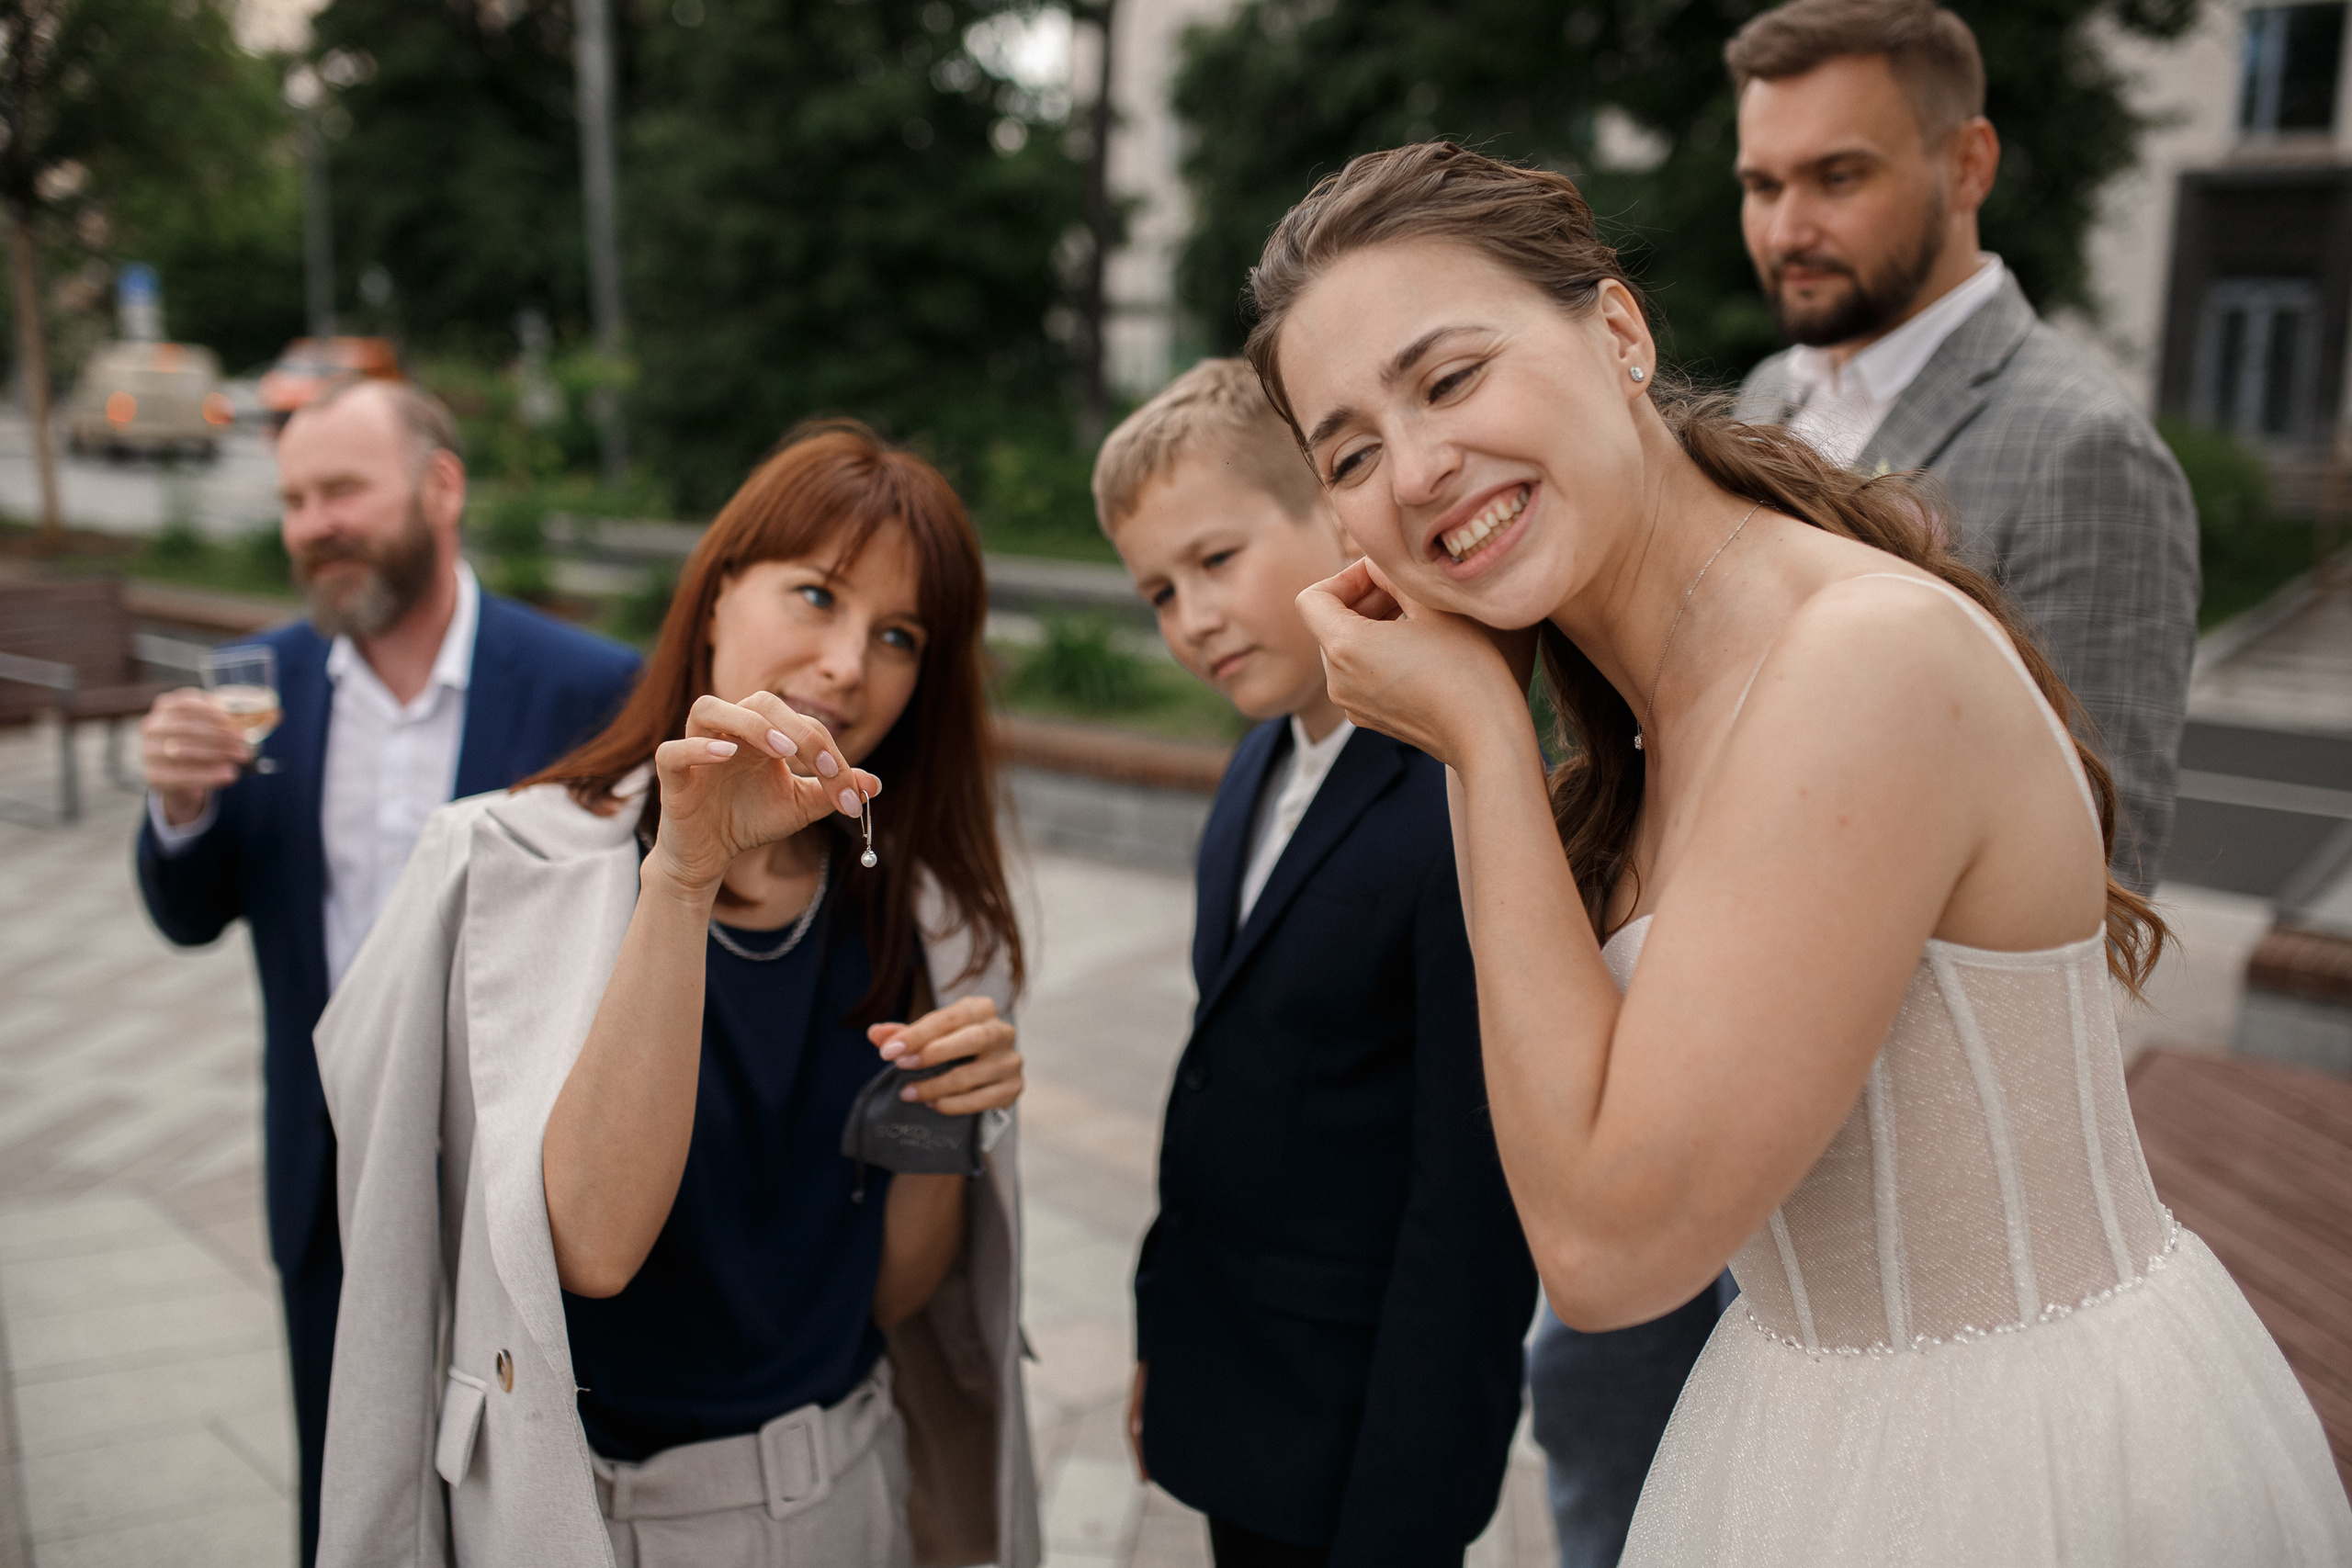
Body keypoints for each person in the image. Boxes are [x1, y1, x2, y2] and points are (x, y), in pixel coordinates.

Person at [1253, 141, 2350, 1564]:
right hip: (1805, 1420)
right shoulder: (1644, 710)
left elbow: (1603, 1247)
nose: (1414, 468)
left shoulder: (1854, 661)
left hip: (2020, 1463)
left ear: (1620, 332)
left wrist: (1477, 740)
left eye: (1451, 378)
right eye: (1348, 451)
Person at [310, 421, 1040, 1568]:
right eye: (816, 596)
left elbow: (891, 1295)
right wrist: (688, 873)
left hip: (854, 1491)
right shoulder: (502, 866)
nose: (850, 662)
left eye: (897, 635)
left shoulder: (917, 915)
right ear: (714, 599)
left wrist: (943, 1121)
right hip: (605, 1518)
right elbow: (591, 1249)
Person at [133, 378, 639, 1567]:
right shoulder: (256, 685)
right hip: (333, 1179)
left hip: (531, 1175)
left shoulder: (585, 684)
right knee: (350, 1490)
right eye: (295, 499)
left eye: (342, 487)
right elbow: (189, 911)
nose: (313, 521)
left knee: (535, 1489)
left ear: (442, 485)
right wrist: (177, 806)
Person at [1092, 358, 1538, 1567]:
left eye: (1217, 561)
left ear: (1334, 517)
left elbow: (1471, 1200)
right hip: (1236, 1386)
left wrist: (1407, 1509)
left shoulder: (1455, 791)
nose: (1191, 618)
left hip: (1360, 1444)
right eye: (1157, 593)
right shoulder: (1256, 764)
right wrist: (1169, 1340)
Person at [1726, 0, 2197, 896]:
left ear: (1968, 165)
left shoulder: (2083, 451)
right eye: (1762, 186)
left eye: (1837, 177)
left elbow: (2099, 871)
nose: (1786, 230)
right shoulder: (1763, 396)